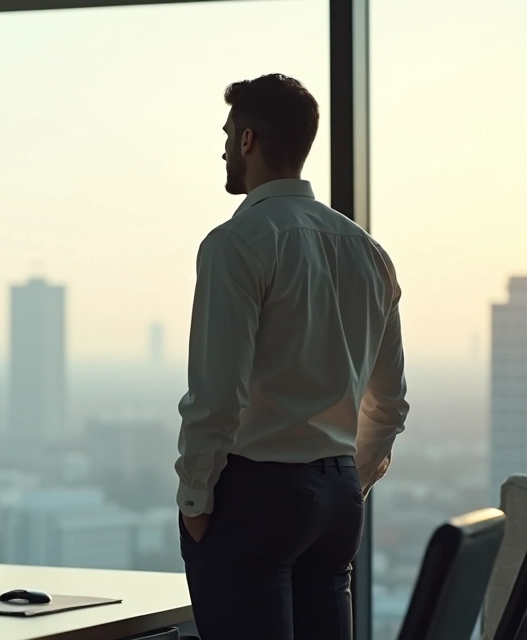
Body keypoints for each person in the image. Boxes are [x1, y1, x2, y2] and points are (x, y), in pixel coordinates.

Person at [174, 73, 409, 640]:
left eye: (229, 133)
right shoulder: (368, 252)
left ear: (248, 140)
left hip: (255, 498)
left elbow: (217, 395)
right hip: (335, 501)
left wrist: (194, 501)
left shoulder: (236, 243)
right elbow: (389, 405)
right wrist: (348, 480)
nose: (225, 147)